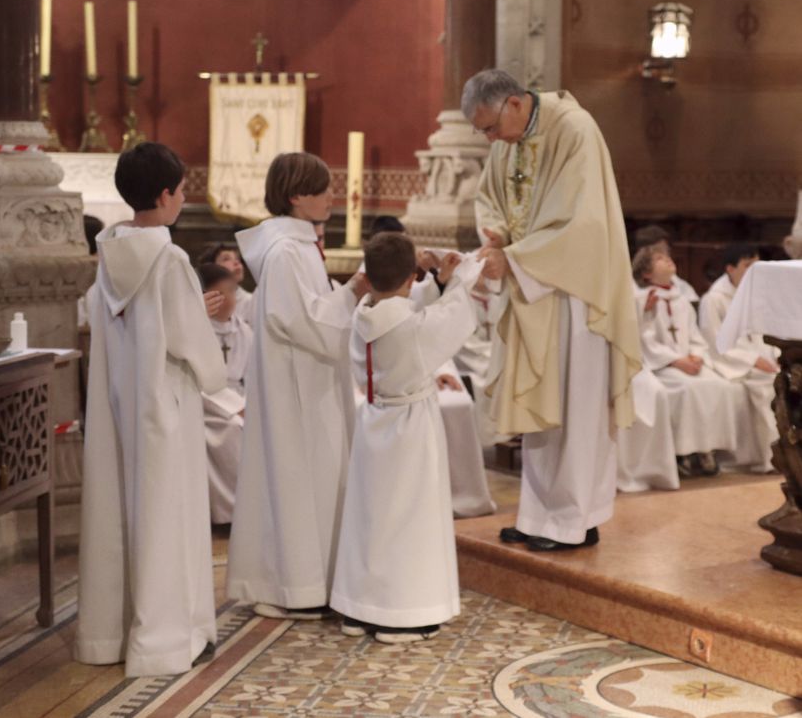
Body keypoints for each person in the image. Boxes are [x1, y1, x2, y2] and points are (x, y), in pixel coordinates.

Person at [463, 69, 641, 551]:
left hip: (574, 290)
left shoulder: (575, 130)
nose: (490, 139)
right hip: (532, 286)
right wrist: (496, 234)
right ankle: (539, 516)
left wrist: (515, 258)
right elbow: (490, 198)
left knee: (576, 408)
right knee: (541, 407)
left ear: (516, 103)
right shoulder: (508, 139)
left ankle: (575, 520)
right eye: (483, 132)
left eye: (491, 128)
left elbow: (582, 223)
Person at [75, 142, 226, 676]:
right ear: (164, 195)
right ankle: (165, 639)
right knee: (165, 515)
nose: (184, 200)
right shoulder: (169, 259)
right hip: (164, 405)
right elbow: (188, 342)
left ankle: (109, 634)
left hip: (118, 400)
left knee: (119, 510)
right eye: (182, 191)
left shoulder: (109, 252)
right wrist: (215, 364)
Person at [226, 152, 369, 619]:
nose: (333, 195)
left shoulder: (300, 245)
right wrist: (353, 290)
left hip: (313, 383)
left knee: (316, 478)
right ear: (296, 196)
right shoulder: (286, 251)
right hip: (296, 389)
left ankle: (314, 580)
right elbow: (301, 321)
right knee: (296, 478)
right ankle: (291, 586)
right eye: (324, 188)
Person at [331, 232, 481, 643]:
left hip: (373, 422)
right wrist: (455, 276)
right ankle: (403, 614)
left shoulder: (363, 313)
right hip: (410, 428)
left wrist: (434, 279)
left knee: (371, 518)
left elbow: (407, 308)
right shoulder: (413, 328)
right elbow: (456, 315)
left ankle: (359, 609)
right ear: (411, 276)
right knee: (409, 518)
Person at [632, 246, 739, 476]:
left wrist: (697, 356)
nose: (668, 260)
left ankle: (707, 448)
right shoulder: (641, 300)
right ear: (646, 274)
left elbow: (695, 335)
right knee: (687, 389)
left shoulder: (680, 300)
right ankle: (682, 452)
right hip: (662, 366)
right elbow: (643, 338)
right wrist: (676, 361)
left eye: (668, 256)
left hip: (689, 362)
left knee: (719, 385)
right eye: (659, 259)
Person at [698, 243, 779, 473]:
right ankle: (771, 458)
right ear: (730, 269)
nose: (754, 270)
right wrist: (753, 360)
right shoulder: (713, 299)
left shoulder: (758, 295)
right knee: (766, 388)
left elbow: (767, 332)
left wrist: (775, 355)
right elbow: (715, 342)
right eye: (747, 265)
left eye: (757, 265)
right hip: (733, 363)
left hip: (764, 358)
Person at [198, 263, 252, 524]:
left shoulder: (244, 330)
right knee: (231, 430)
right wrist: (235, 407)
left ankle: (255, 507)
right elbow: (199, 382)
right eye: (220, 294)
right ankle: (231, 512)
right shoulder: (196, 329)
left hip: (240, 398)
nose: (229, 299)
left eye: (232, 291)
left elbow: (254, 376)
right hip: (207, 405)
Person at [631, 225, 699, 303]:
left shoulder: (682, 287)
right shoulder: (633, 289)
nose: (666, 257)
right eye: (659, 256)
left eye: (666, 250)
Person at [200, 242, 254, 324]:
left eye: (238, 259)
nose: (237, 263)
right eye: (226, 259)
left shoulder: (252, 301)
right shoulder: (199, 302)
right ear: (210, 267)